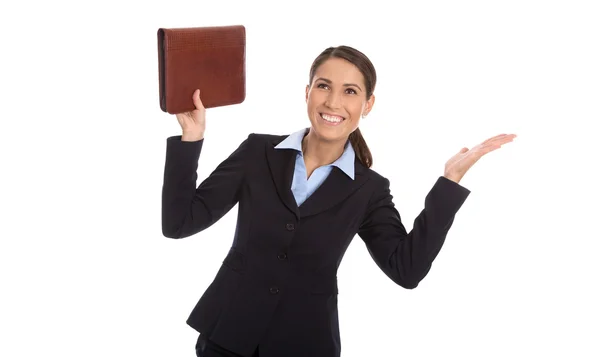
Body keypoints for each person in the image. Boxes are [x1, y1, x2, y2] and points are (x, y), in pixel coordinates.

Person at [161, 45, 516, 357]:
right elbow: (179, 223)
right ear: (307, 92)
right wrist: (191, 139)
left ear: (368, 104)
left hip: (304, 344)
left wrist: (448, 184)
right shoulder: (258, 152)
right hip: (227, 337)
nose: (333, 102)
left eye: (350, 91)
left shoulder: (369, 189)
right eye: (323, 86)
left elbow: (406, 270)